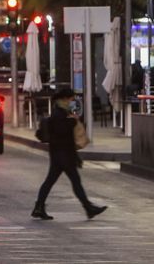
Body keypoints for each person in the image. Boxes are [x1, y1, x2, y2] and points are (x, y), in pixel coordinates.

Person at [32, 88, 106, 220]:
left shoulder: (61, 111)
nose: (72, 102)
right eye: (71, 99)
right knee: (74, 182)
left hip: (59, 153)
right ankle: (88, 208)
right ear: (65, 99)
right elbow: (61, 130)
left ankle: (39, 207)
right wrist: (72, 121)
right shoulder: (59, 113)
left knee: (51, 181)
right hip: (63, 154)